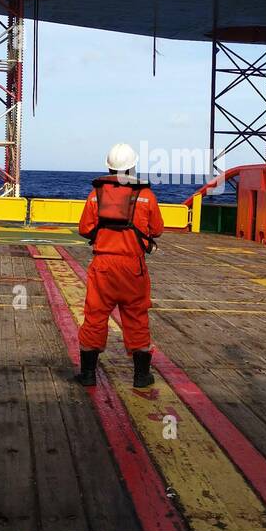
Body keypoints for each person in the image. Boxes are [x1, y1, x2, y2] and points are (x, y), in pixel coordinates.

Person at [74, 142, 164, 388]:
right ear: (133, 165)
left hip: (103, 265)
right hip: (133, 267)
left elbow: (84, 229)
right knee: (136, 315)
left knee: (95, 315)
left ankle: (89, 374)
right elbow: (156, 229)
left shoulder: (96, 195)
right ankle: (141, 376)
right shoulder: (145, 195)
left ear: (109, 167)